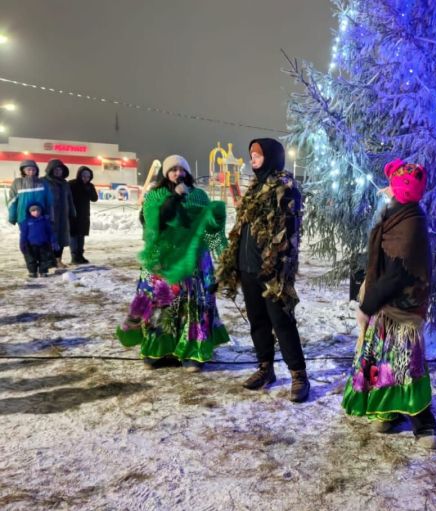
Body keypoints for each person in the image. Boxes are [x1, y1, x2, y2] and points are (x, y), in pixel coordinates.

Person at [341, 159, 436, 449]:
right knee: (386, 363)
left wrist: (368, 304)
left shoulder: (411, 222)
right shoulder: (396, 213)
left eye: (396, 189)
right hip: (386, 308)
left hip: (402, 308)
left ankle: (423, 420)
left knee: (408, 364)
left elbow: (397, 273)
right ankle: (390, 409)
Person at [216, 138, 309, 402]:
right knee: (258, 322)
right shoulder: (254, 188)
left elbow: (289, 234)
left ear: (271, 156)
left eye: (257, 155)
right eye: (251, 155)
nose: (252, 160)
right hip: (248, 268)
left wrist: (280, 267)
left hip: (272, 272)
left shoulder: (285, 187)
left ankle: (299, 375)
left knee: (282, 322)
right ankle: (265, 368)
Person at [117, 155, 229, 372]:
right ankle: (158, 350)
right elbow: (152, 224)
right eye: (173, 169)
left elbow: (208, 229)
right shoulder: (155, 195)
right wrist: (175, 199)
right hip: (163, 260)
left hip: (194, 261)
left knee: (193, 304)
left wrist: (217, 231)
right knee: (161, 303)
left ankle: (193, 351)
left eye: (181, 169)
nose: (178, 173)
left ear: (187, 172)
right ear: (166, 173)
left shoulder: (199, 195)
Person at [42, 159, 76, 269]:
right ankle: (47, 261)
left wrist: (72, 211)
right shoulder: (43, 181)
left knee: (61, 239)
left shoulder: (65, 183)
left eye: (60, 169)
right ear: (50, 170)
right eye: (56, 169)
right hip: (49, 215)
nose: (58, 171)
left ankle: (58, 260)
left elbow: (70, 198)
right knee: (48, 238)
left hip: (63, 216)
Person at [7, 159, 54, 227]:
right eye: (28, 169)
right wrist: (12, 217)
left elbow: (49, 201)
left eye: (33, 170)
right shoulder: (17, 183)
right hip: (23, 217)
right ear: (23, 170)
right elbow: (12, 202)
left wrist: (51, 217)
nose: (31, 171)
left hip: (40, 216)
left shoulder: (43, 183)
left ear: (36, 170)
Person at [68, 166, 99, 264]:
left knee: (81, 236)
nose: (86, 178)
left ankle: (80, 256)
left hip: (84, 215)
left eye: (88, 176)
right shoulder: (72, 184)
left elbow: (94, 198)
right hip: (72, 215)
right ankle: (74, 257)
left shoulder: (90, 186)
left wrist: (89, 190)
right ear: (79, 175)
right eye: (84, 176)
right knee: (73, 236)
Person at [19, 203, 57, 278]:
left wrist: (53, 241)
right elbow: (23, 234)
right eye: (33, 210)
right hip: (31, 245)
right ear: (29, 212)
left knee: (44, 259)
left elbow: (50, 232)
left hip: (43, 244)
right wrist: (22, 243)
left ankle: (43, 271)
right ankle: (33, 272)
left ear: (41, 211)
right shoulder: (26, 222)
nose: (36, 212)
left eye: (37, 210)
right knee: (31, 259)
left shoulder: (45, 221)